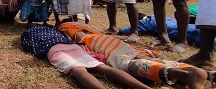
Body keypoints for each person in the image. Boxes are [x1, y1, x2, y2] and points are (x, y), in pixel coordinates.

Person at [59, 22, 208, 89]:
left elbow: (67, 41)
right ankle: (206, 74)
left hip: (96, 44)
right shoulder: (87, 27)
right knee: (143, 57)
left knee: (129, 64)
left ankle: (182, 74)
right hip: (111, 41)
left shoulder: (65, 27)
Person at [21, 25, 151, 89]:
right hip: (72, 46)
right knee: (103, 68)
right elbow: (67, 36)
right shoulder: (54, 30)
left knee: (78, 70)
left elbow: (30, 48)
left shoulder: (28, 33)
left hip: (54, 50)